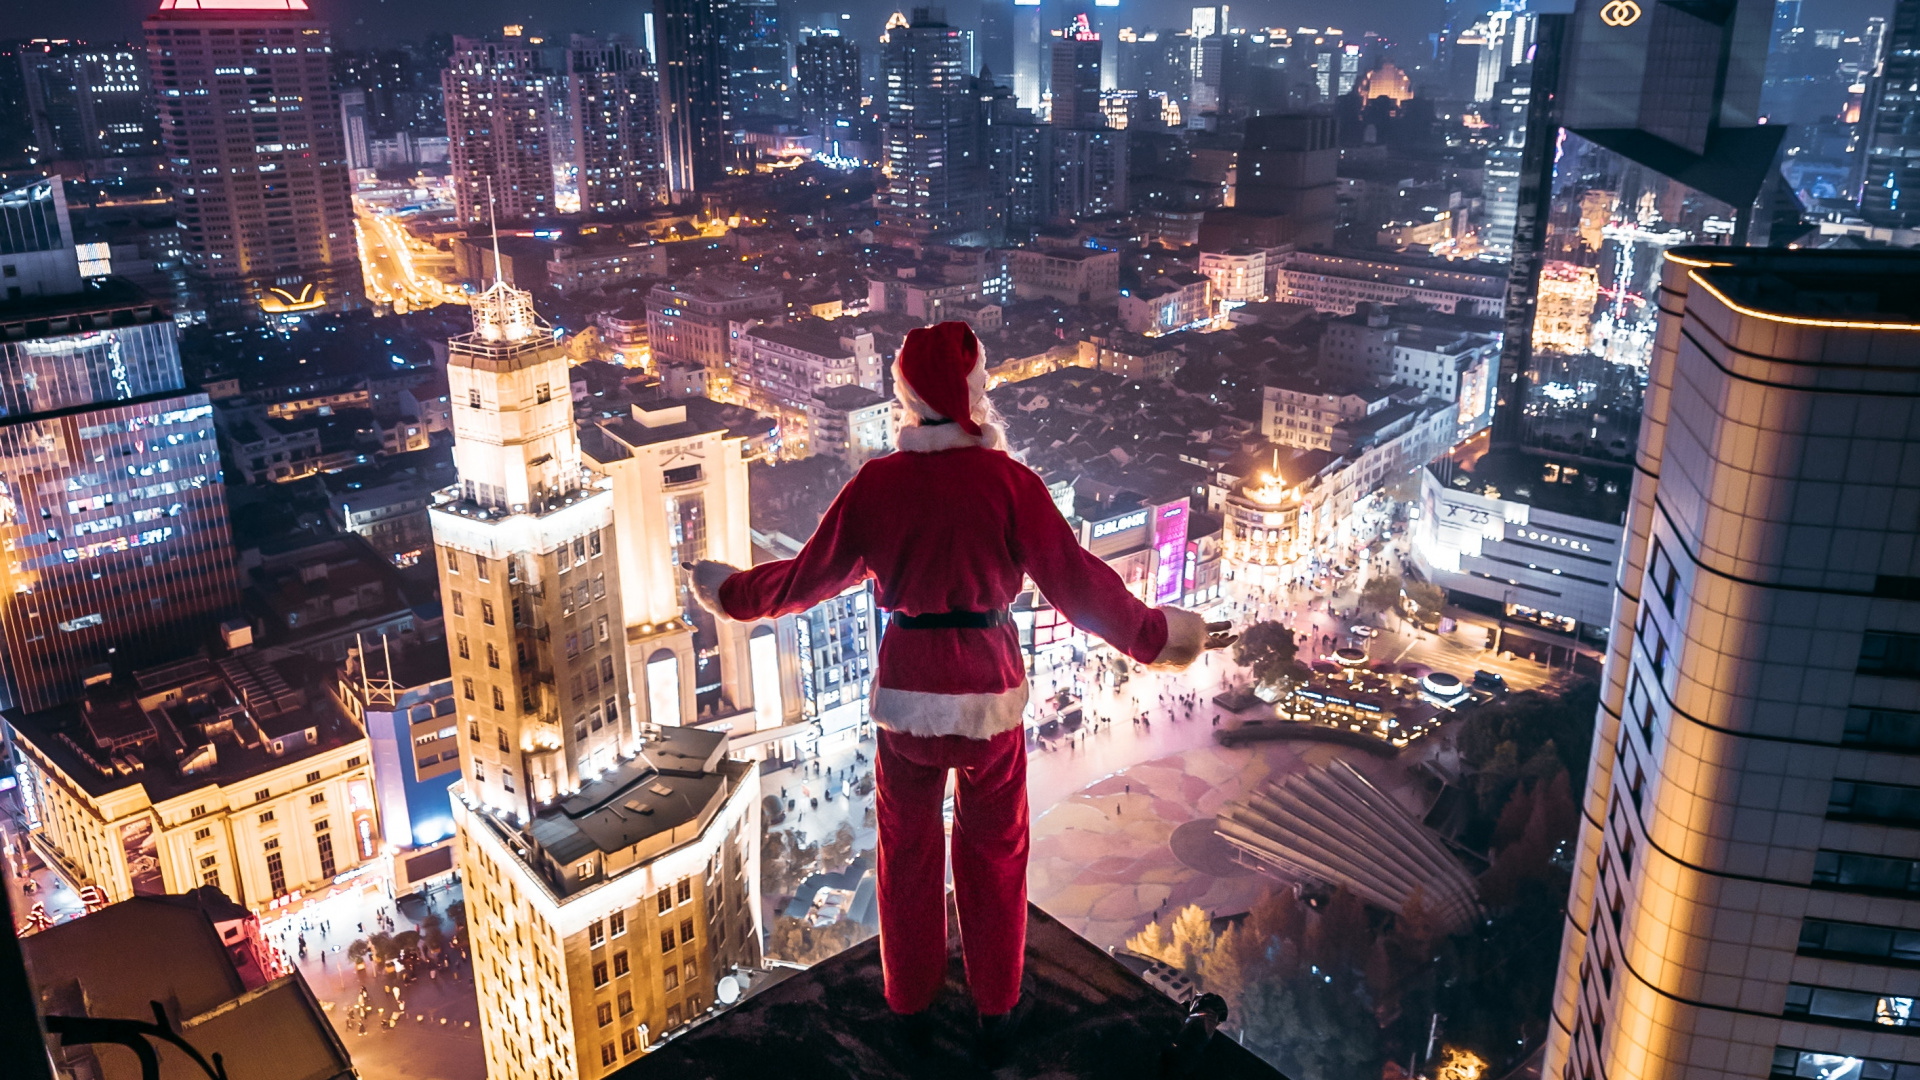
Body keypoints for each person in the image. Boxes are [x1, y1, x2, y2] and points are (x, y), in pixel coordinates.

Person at [691, 321, 1232, 1065]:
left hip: (907, 697)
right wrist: (1154, 636)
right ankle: (997, 1008)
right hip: (990, 695)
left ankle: (909, 1004)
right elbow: (1080, 586)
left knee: (906, 855)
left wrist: (732, 593)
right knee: (996, 854)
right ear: (976, 392)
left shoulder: (876, 485)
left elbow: (803, 579)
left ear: (906, 399)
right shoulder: (1010, 483)